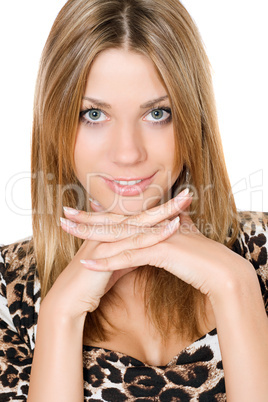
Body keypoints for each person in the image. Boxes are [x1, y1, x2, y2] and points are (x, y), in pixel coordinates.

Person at [0, 0, 267, 400]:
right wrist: (60, 317)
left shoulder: (262, 249)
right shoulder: (7, 291)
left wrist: (236, 287)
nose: (128, 153)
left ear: (193, 118)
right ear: (56, 120)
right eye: (94, 115)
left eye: (157, 113)